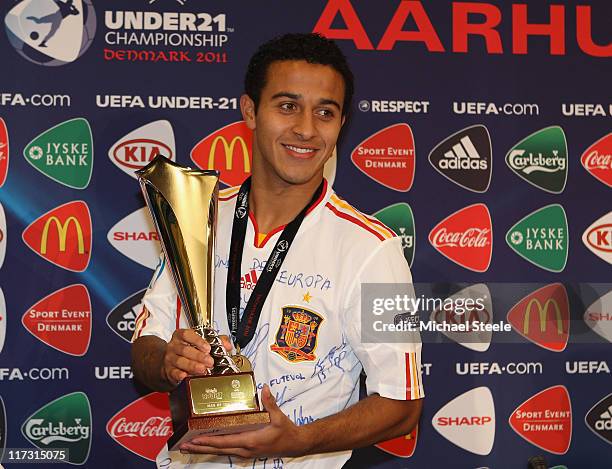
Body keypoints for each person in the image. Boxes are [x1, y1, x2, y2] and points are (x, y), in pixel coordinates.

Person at [132, 33, 424, 469]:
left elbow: (403, 405)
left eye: (325, 112)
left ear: (341, 123)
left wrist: (298, 440)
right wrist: (167, 360)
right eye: (287, 106)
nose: (306, 129)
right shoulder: (198, 220)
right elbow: (144, 352)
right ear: (250, 111)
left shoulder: (372, 247)